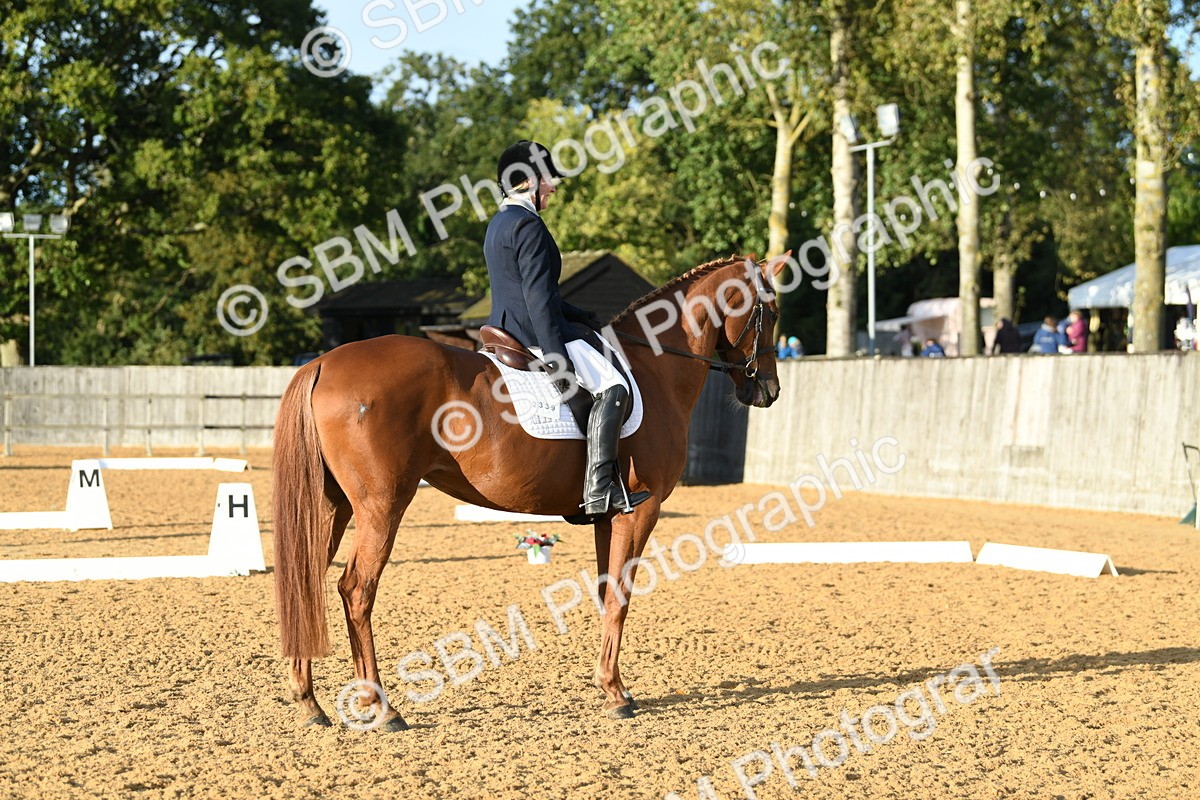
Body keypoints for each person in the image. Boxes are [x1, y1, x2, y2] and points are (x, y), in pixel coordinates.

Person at [483, 140, 650, 518]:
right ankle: (600, 489)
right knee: (614, 386)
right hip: (533, 332)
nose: (554, 187)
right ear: (527, 181)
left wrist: (582, 314)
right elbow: (539, 301)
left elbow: (524, 289)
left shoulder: (499, 223)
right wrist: (558, 358)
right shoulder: (529, 226)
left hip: (505, 324)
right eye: (548, 179)